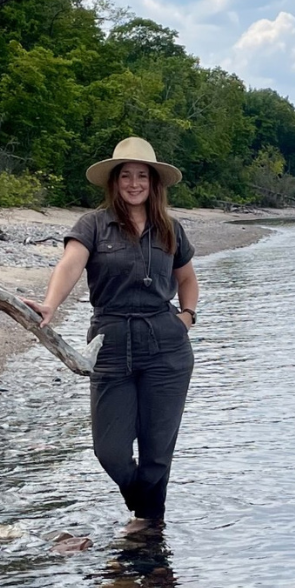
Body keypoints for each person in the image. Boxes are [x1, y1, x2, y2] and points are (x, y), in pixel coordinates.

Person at [26, 137, 199, 533]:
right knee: (111, 451)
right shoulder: (93, 225)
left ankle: (148, 523)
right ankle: (149, 513)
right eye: (126, 176)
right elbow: (69, 265)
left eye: (142, 176)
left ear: (154, 182)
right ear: (115, 181)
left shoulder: (170, 228)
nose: (134, 183)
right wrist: (50, 304)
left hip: (166, 343)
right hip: (110, 340)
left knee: (158, 449)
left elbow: (187, 278)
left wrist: (187, 317)